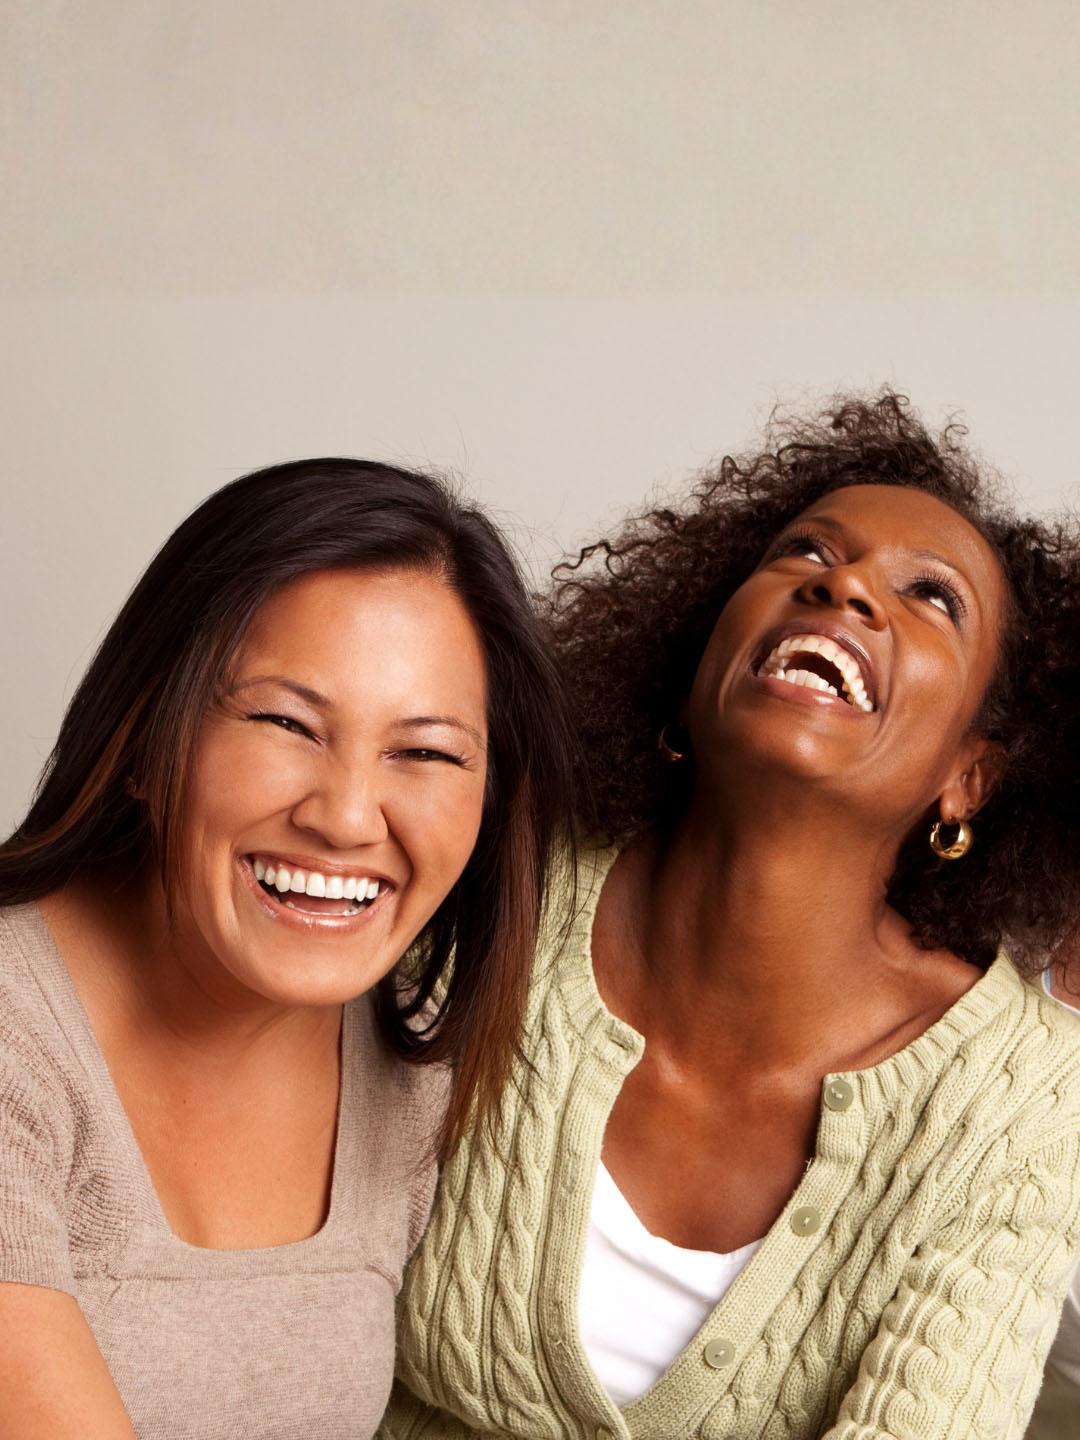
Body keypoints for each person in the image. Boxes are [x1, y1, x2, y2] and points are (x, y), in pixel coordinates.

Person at [382, 394, 1080, 1440]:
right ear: (695, 656)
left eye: (931, 596)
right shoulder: (494, 886)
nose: (840, 583)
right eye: (805, 551)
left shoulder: (1024, 1099)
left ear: (968, 780)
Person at [0, 458, 575, 1440]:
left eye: (426, 752)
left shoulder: (415, 1075)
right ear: (147, 736)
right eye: (284, 722)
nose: (348, 817)